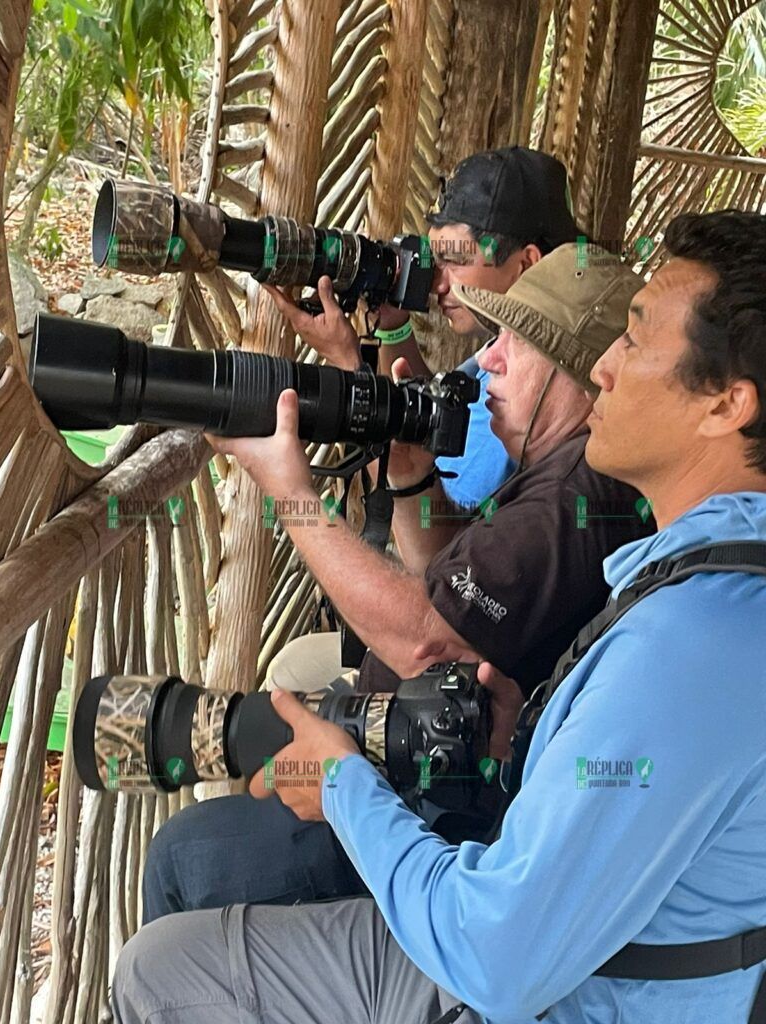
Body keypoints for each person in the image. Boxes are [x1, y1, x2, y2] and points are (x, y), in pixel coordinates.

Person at [114, 208, 766, 1024]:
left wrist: (344, 784)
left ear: (725, 405)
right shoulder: (712, 583)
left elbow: (497, 953)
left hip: (544, 982)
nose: (606, 368)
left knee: (163, 954)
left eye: (633, 342)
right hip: (555, 925)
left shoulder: (686, 634)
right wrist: (529, 736)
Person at [140, 243, 652, 923]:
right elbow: (444, 583)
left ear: (580, 378)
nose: (488, 360)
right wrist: (410, 472)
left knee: (183, 855)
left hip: (442, 811)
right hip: (419, 749)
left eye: (515, 343)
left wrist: (290, 491)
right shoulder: (561, 467)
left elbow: (426, 641)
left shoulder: (573, 501)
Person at [267, 146, 581, 507]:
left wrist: (347, 361)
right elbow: (437, 421)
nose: (436, 283)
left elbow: (437, 527)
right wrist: (394, 327)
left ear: (527, 263)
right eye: (434, 262)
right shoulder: (528, 342)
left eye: (455, 261)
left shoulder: (530, 386)